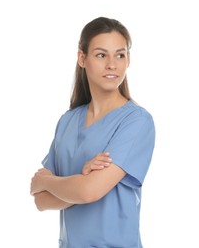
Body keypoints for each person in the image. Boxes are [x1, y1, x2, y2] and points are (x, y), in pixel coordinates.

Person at [30, 16, 155, 248]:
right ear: (82, 58)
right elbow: (40, 200)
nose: (112, 64)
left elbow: (88, 192)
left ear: (128, 60)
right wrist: (78, 182)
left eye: (120, 55)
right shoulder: (67, 121)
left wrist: (48, 181)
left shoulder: (136, 121)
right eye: (101, 55)